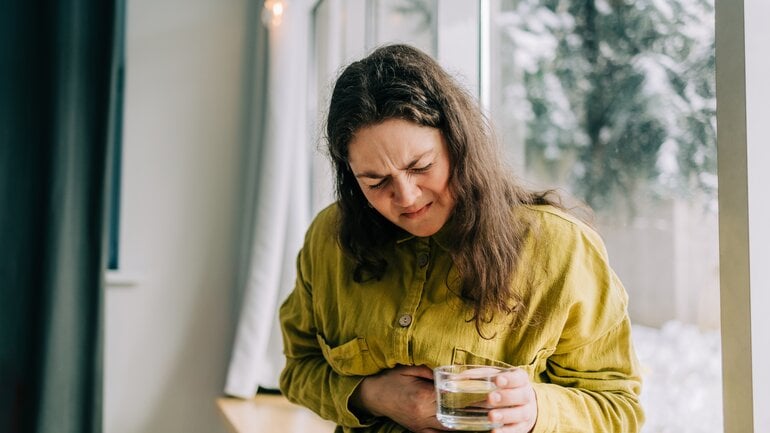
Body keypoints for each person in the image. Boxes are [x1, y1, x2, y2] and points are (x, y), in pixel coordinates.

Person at [279, 44, 644, 433]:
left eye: (421, 167)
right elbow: (298, 369)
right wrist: (373, 395)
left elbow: (617, 407)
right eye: (376, 181)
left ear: (458, 143)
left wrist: (536, 410)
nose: (406, 197)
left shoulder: (559, 248)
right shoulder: (328, 239)